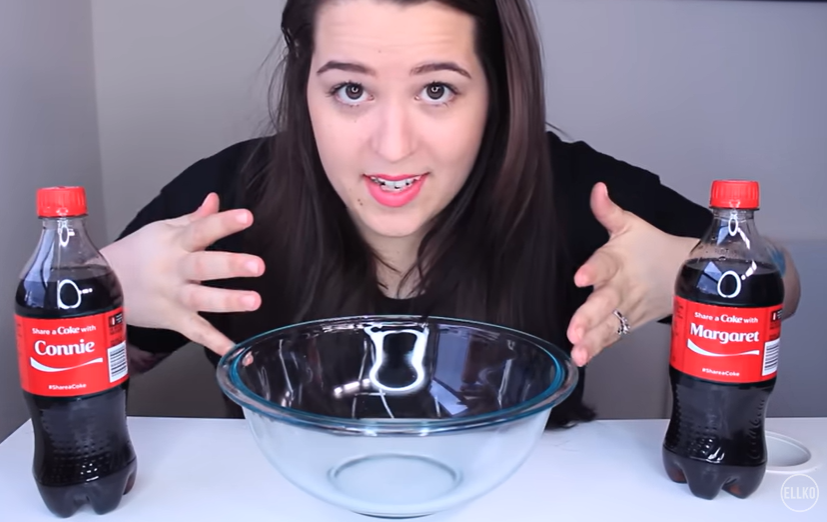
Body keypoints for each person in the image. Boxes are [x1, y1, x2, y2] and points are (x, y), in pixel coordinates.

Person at [101, 0, 801, 428]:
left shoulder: (577, 193)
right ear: (303, 82)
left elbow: (787, 286)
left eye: (437, 89)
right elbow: (91, 374)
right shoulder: (223, 200)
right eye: (349, 89)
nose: (393, 145)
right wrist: (105, 292)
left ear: (496, 90)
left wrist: (697, 266)